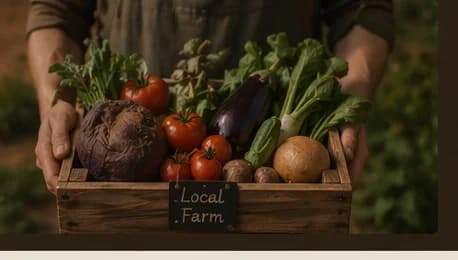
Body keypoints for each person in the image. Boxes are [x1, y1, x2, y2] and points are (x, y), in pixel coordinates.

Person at [26, 0, 394, 194]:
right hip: (119, 161)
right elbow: (55, 9)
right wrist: (57, 100)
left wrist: (354, 91)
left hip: (277, 169)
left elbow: (362, 8)